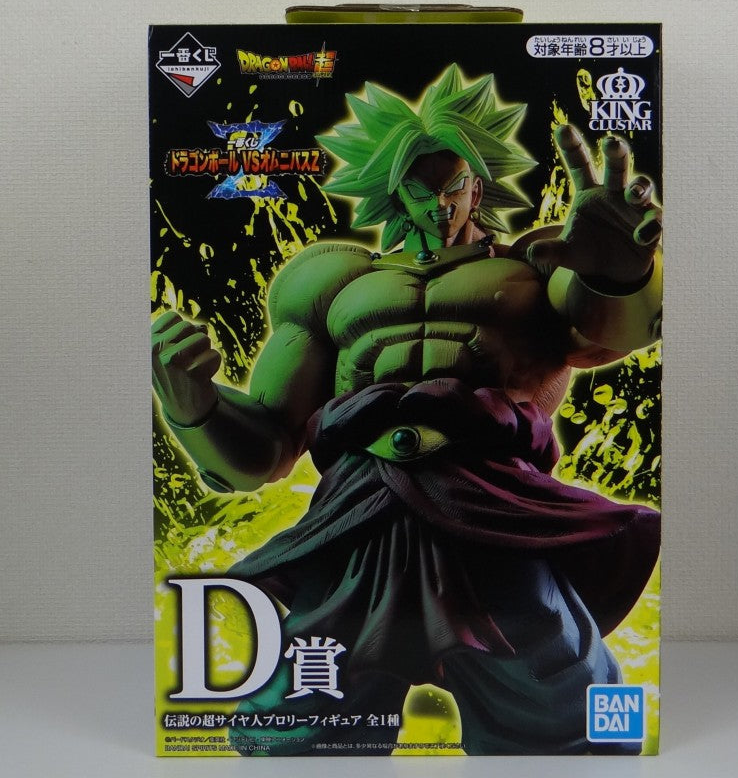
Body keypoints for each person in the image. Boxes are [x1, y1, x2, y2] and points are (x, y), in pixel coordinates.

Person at [152, 65, 661, 755]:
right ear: (393, 192)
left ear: (477, 185)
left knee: (566, 716)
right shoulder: (332, 283)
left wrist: (620, 271)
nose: (439, 203)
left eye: (453, 185)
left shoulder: (535, 269)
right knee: (292, 727)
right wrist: (196, 409)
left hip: (491, 512)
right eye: (421, 188)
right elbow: (265, 449)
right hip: (362, 513)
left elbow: (610, 328)